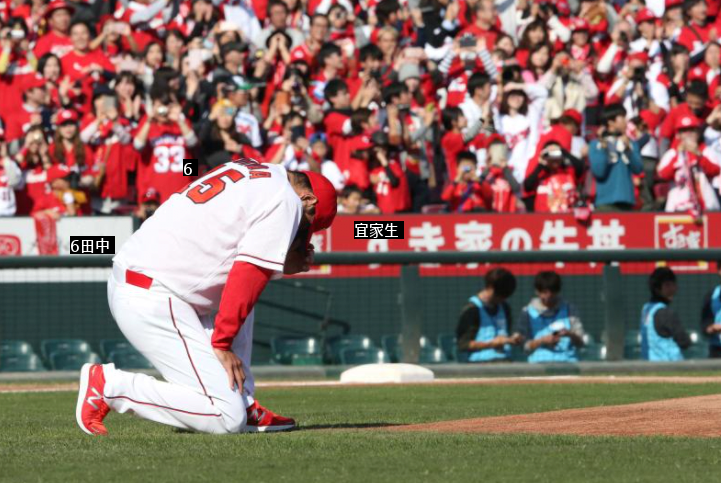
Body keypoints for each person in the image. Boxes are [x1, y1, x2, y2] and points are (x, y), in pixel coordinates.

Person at [76, 160, 338, 436]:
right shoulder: (288, 201)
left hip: (160, 283)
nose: (303, 230)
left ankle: (246, 403)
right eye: (310, 220)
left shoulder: (261, 171)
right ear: (307, 198)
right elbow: (248, 272)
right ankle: (111, 386)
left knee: (243, 297)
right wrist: (222, 343)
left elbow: (232, 254)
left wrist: (281, 263)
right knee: (227, 417)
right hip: (155, 294)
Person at [456, 267, 523, 363]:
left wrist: (512, 339)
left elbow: (506, 335)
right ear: (490, 288)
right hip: (479, 364)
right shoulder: (471, 310)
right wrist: (491, 344)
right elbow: (463, 345)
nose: (502, 299)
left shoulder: (504, 307)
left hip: (506, 362)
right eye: (500, 295)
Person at [517, 271, 586, 363]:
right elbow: (524, 346)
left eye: (552, 292)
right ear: (537, 291)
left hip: (568, 363)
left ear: (558, 291)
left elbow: (581, 343)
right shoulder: (527, 312)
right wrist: (542, 341)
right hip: (538, 365)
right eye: (544, 292)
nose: (548, 296)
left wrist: (569, 334)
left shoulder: (570, 310)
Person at [589, 103, 644, 211]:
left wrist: (628, 150)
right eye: (622, 117)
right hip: (605, 203)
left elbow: (638, 169)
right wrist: (605, 150)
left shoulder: (630, 143)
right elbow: (598, 171)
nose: (625, 121)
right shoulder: (597, 144)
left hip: (627, 201)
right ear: (611, 122)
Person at [640, 267, 691, 361]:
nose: (674, 288)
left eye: (674, 284)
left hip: (648, 365)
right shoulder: (665, 313)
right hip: (668, 366)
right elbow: (684, 342)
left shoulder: (646, 309)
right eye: (669, 285)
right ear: (659, 288)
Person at [701, 261, 721, 358]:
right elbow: (705, 324)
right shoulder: (712, 295)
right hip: (716, 350)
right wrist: (710, 328)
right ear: (719, 271)